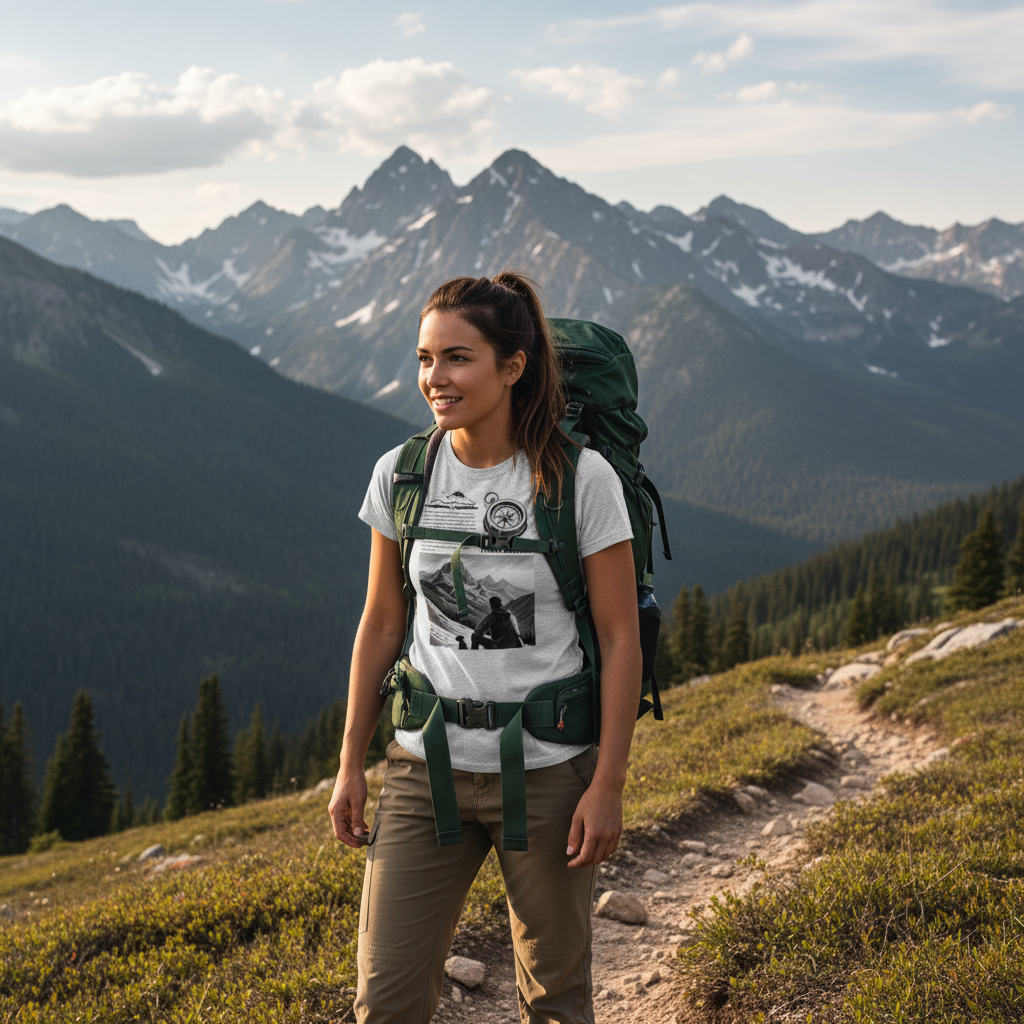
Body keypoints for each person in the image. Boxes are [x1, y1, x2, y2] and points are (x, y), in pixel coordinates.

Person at [328, 272, 642, 1024]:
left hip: (547, 772)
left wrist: (607, 783)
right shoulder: (403, 474)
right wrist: (348, 764)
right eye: (425, 358)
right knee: (386, 999)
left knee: (556, 997)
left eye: (458, 358)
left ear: (513, 366)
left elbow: (620, 633)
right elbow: (380, 623)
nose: (435, 378)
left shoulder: (578, 478)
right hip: (421, 767)